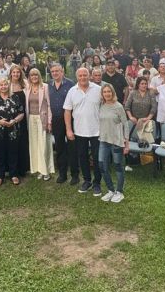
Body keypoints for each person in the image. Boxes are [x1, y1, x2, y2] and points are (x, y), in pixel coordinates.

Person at [64, 67, 103, 196]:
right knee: (82, 157)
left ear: (89, 76)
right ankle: (87, 181)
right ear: (77, 77)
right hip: (79, 131)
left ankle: (97, 183)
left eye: (85, 75)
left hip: (97, 130)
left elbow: (105, 107)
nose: (82, 77)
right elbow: (67, 111)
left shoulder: (98, 90)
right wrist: (69, 129)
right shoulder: (72, 91)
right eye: (80, 75)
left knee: (97, 158)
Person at [0, 80, 24, 186]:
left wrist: (14, 120)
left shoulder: (15, 98)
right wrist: (0, 122)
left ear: (8, 86)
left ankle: (13, 174)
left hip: (13, 130)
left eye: (5, 84)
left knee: (13, 152)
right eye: (1, 85)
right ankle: (0, 175)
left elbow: (21, 113)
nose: (3, 87)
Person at [97, 83, 130, 202]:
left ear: (113, 92)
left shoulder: (118, 106)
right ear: (102, 94)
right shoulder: (101, 105)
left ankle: (119, 191)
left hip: (117, 140)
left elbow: (125, 124)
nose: (107, 94)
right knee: (102, 165)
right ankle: (110, 190)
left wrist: (127, 143)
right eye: (105, 92)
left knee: (118, 166)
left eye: (109, 91)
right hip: (103, 140)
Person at [49, 63, 76, 184]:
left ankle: (75, 175)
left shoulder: (70, 84)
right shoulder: (48, 85)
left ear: (62, 71)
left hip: (70, 119)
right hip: (56, 120)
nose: (55, 73)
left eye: (57, 71)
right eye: (53, 71)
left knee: (72, 147)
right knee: (59, 148)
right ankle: (62, 174)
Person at [25, 68, 54, 180]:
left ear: (39, 76)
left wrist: (49, 122)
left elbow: (49, 105)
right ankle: (39, 169)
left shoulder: (45, 87)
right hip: (31, 118)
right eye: (32, 75)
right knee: (34, 144)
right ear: (29, 77)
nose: (34, 77)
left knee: (44, 145)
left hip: (43, 118)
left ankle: (46, 170)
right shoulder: (27, 87)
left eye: (36, 75)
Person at [8, 64, 29, 176]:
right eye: (14, 72)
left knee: (23, 141)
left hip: (24, 117)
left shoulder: (25, 83)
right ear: (11, 73)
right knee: (12, 143)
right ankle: (12, 167)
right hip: (11, 119)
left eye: (18, 72)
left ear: (21, 73)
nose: (16, 74)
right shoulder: (7, 84)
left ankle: (23, 167)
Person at [124, 76, 158, 145]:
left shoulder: (151, 93)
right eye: (142, 84)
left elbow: (154, 107)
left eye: (145, 84)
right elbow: (127, 106)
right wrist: (131, 117)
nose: (144, 85)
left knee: (146, 142)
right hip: (134, 121)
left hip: (147, 120)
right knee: (133, 141)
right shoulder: (133, 93)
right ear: (138, 84)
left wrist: (148, 118)